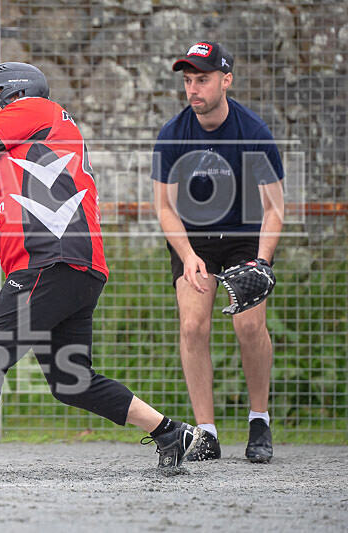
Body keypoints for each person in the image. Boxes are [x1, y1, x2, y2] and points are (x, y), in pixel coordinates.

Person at [0, 62, 202, 480]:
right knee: (71, 379)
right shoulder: (2, 162)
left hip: (50, 259)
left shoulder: (40, 111)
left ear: (14, 95)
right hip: (72, 269)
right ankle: (171, 433)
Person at [151, 42, 285, 462]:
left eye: (203, 79)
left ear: (226, 80)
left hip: (245, 237)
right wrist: (188, 255)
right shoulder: (172, 135)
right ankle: (206, 432)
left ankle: (259, 420)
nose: (193, 89)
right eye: (188, 80)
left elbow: (275, 208)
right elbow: (164, 207)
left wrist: (261, 263)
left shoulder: (253, 132)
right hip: (195, 242)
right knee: (193, 326)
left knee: (249, 327)